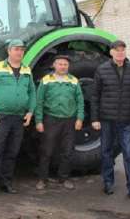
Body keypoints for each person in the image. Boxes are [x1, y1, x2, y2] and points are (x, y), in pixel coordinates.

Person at [0, 39, 36, 198]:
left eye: (22, 50)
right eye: (16, 49)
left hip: (19, 118)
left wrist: (30, 111)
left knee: (12, 152)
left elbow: (32, 92)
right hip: (1, 117)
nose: (20, 52)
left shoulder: (27, 70)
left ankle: (6, 183)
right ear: (9, 51)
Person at [91, 40, 130, 201]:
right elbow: (95, 96)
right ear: (111, 53)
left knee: (128, 152)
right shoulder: (102, 69)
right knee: (106, 151)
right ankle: (108, 182)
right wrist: (95, 118)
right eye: (117, 50)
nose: (120, 53)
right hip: (107, 119)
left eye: (123, 50)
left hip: (127, 119)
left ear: (125, 52)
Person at [34, 55, 84, 191]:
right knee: (46, 150)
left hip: (69, 120)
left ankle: (64, 178)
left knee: (67, 151)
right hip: (51, 119)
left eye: (65, 64)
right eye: (60, 64)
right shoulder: (46, 80)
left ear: (68, 67)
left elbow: (80, 101)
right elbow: (39, 102)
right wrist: (38, 121)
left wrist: (79, 118)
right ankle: (42, 179)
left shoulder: (73, 81)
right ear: (54, 65)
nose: (63, 66)